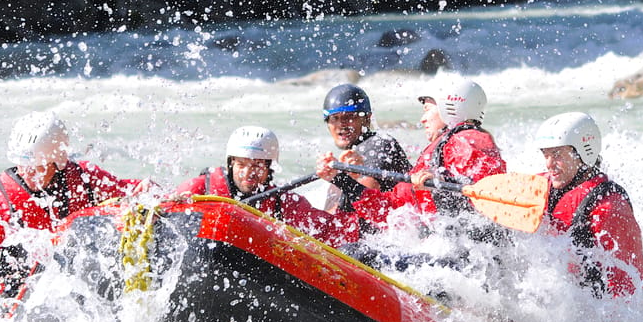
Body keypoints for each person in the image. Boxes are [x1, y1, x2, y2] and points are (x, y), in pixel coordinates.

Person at [0, 112, 153, 315]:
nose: (27, 172)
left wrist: (146, 191)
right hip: (22, 308)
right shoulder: (0, 203)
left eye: (35, 167)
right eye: (22, 165)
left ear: (58, 163)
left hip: (84, 291)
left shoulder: (84, 179)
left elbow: (128, 191)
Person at [318, 77, 506, 228]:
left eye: (427, 109)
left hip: (468, 253)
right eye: (334, 119)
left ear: (449, 107)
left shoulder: (469, 139)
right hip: (440, 247)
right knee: (357, 252)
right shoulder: (432, 160)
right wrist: (341, 180)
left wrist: (442, 186)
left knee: (357, 254)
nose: (422, 119)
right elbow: (387, 211)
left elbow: (484, 202)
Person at [175, 125, 359, 248]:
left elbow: (339, 232)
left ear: (270, 168)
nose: (248, 173)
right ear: (230, 165)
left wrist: (348, 181)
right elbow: (162, 209)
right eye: (241, 165)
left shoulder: (284, 203)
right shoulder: (200, 187)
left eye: (257, 166)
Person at [534, 111, 643, 298]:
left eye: (557, 154)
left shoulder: (610, 207)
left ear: (584, 152)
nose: (549, 164)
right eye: (545, 154)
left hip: (594, 315)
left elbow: (629, 290)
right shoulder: (542, 186)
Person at [320, 83, 411, 214]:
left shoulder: (379, 145)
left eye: (349, 117)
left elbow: (368, 203)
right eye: (335, 118)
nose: (341, 124)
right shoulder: (355, 152)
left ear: (367, 118)